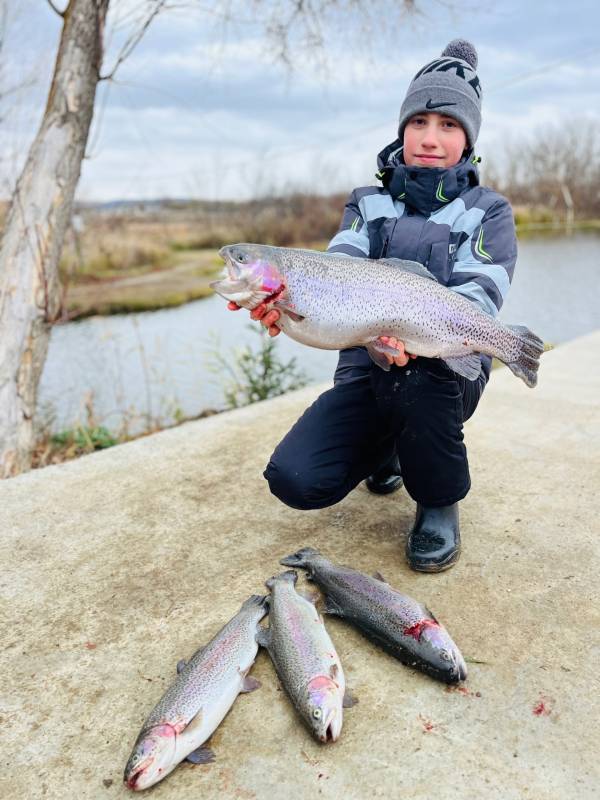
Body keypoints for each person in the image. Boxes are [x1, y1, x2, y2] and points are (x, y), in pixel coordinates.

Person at [228, 39, 517, 572]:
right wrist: (285, 311)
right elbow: (336, 276)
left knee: (418, 380)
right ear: (401, 128)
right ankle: (387, 452)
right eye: (419, 122)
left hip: (444, 368)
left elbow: (481, 296)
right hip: (366, 367)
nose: (430, 138)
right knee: (295, 476)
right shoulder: (366, 202)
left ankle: (437, 501)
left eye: (448, 125)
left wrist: (419, 335)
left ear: (469, 135)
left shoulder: (489, 211)